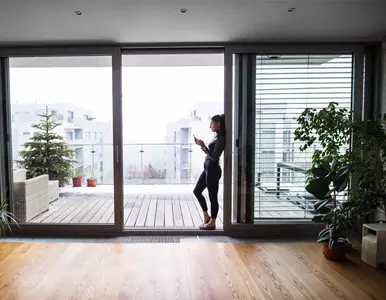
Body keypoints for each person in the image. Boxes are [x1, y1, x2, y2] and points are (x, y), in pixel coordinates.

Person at [193, 114, 226, 230]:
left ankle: (213, 222)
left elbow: (214, 157)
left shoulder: (221, 138)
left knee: (213, 197)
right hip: (207, 169)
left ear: (218, 124)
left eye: (211, 123)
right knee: (197, 191)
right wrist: (202, 146)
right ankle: (206, 216)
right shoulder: (216, 136)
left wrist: (204, 147)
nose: (209, 126)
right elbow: (210, 154)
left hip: (213, 171)